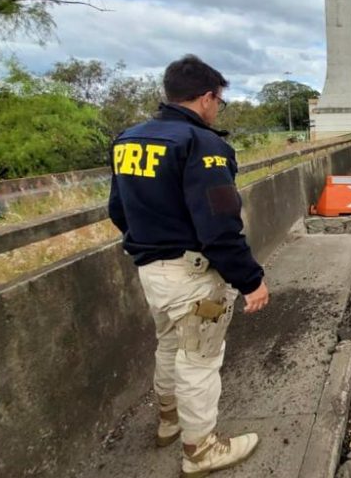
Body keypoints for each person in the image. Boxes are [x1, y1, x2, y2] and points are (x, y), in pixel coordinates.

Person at [107, 55, 269, 477]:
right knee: (199, 358)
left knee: (169, 345)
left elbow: (118, 210)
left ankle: (169, 421)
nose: (218, 109)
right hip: (193, 276)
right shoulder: (203, 145)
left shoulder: (128, 139)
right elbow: (219, 228)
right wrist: (251, 281)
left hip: (152, 272)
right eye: (220, 101)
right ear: (207, 97)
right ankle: (200, 451)